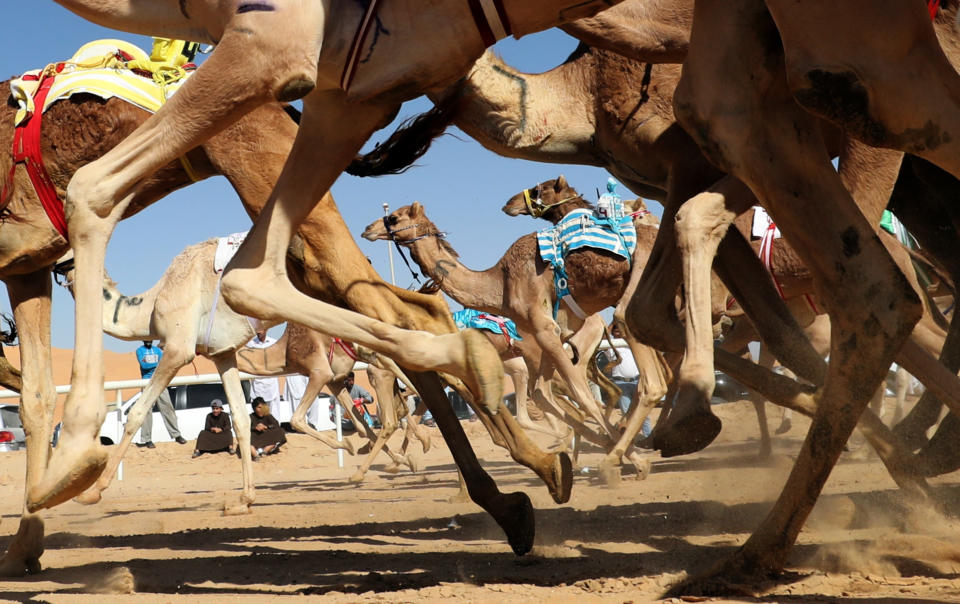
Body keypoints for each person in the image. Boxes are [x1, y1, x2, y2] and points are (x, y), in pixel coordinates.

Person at [601, 325, 652, 439]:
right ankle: (630, 439)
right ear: (613, 333)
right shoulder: (611, 347)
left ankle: (649, 437)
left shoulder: (632, 344)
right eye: (616, 330)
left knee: (643, 412)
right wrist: (613, 321)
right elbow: (604, 336)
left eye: (620, 329)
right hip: (621, 384)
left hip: (636, 382)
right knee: (627, 413)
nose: (618, 331)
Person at [135, 340, 186, 448]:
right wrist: (158, 363)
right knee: (146, 411)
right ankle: (147, 439)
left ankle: (176, 434)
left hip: (160, 380)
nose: (148, 340)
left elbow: (164, 363)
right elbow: (144, 365)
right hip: (147, 382)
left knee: (167, 407)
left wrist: (156, 363)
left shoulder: (157, 350)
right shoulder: (139, 350)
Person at [246, 330, 284, 421]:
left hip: (271, 382)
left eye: (261, 330)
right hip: (257, 382)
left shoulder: (274, 343)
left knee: (273, 410)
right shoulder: (250, 344)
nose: (259, 332)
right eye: (257, 330)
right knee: (258, 408)